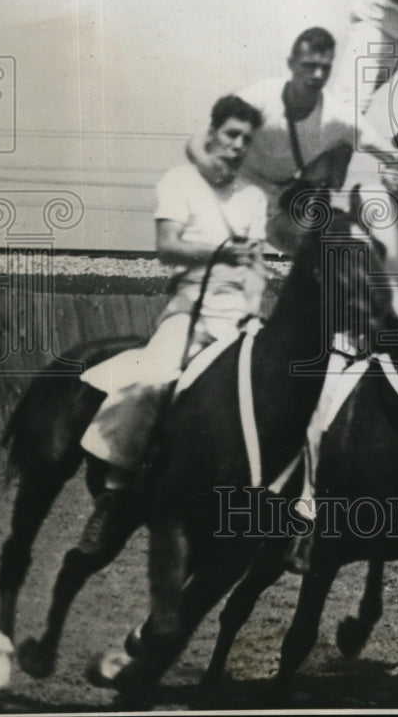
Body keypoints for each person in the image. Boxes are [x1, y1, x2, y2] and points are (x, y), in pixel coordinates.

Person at [79, 95, 267, 512]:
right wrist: (219, 251)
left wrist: (255, 311)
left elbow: (254, 264)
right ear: (213, 132)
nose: (238, 145)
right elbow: (166, 247)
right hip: (191, 309)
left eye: (246, 139)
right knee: (156, 376)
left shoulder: (253, 197)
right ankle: (116, 483)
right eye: (231, 134)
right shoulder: (179, 181)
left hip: (240, 316)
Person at [233, 26, 398, 257]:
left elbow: (391, 154)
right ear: (291, 64)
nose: (317, 75)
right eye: (309, 65)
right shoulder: (260, 97)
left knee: (333, 253)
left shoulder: (338, 114)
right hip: (235, 191)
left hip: (280, 207)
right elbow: (204, 143)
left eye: (324, 67)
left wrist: (395, 171)